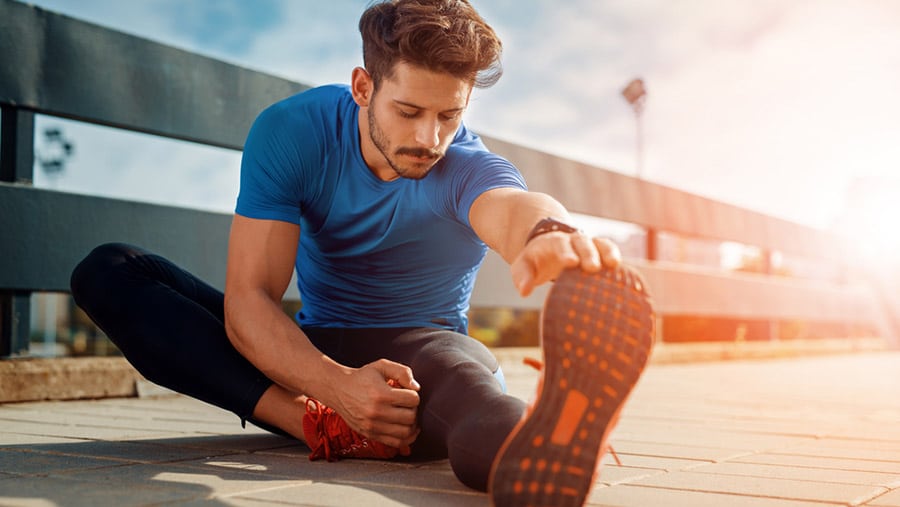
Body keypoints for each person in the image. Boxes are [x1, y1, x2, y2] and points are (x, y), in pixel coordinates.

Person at [70, 0, 654, 505]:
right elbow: (250, 300)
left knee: (479, 415)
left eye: (450, 116)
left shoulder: (467, 166)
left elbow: (511, 205)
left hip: (420, 362)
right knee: (111, 272)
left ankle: (552, 439)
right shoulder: (292, 132)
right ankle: (314, 426)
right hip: (313, 351)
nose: (430, 139)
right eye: (409, 112)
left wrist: (552, 232)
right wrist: (336, 393)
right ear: (363, 86)